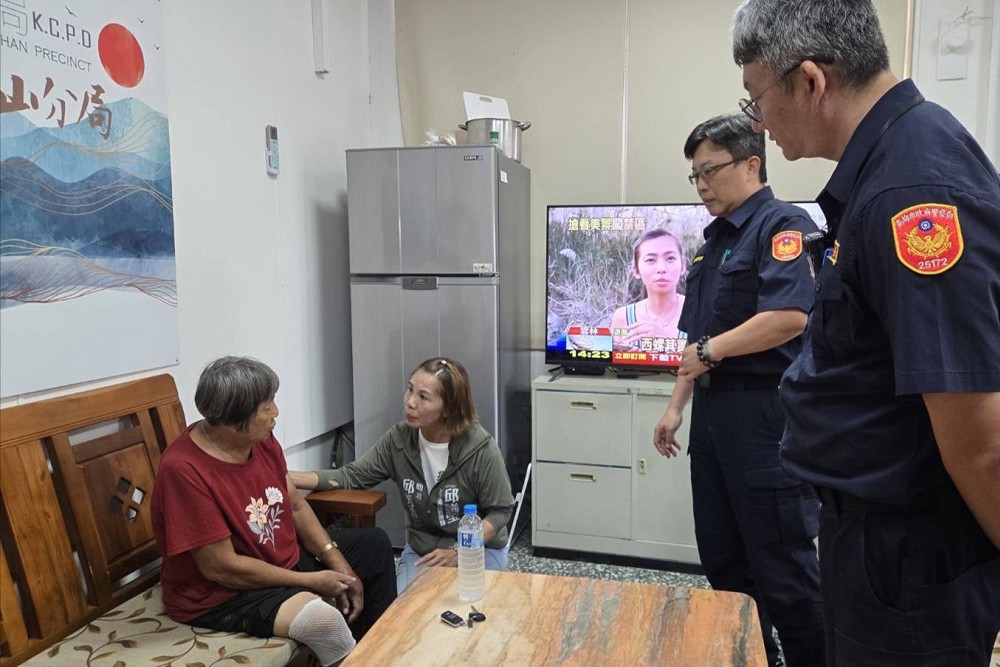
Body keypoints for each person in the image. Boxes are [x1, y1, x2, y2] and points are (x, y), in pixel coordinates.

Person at [732, 1, 1000, 664]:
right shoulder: (893, 161)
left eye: (756, 100)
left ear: (810, 81)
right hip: (879, 541)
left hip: (909, 560)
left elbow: (982, 442)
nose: (757, 122)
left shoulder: (912, 192)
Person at [652, 114, 825, 667]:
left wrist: (709, 353)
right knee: (724, 561)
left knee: (783, 569)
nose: (701, 186)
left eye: (710, 171)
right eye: (695, 176)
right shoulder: (711, 243)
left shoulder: (783, 225)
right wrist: (675, 408)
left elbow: (789, 317)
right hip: (714, 419)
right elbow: (694, 342)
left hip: (766, 419)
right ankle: (755, 657)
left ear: (752, 164)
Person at [151, 357, 397, 667]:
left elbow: (295, 505)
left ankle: (380, 654)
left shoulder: (260, 440)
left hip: (278, 559)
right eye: (266, 407)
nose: (275, 413)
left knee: (374, 546)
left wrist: (337, 562)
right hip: (222, 593)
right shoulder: (184, 470)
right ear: (234, 420)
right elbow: (221, 568)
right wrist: (311, 580)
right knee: (324, 624)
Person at [290, 357, 514, 592]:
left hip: (478, 550)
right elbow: (352, 475)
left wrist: (458, 552)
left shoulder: (480, 448)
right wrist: (286, 477)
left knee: (459, 601)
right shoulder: (399, 439)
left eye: (423, 397)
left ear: (448, 409)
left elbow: (501, 511)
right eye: (410, 390)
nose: (410, 402)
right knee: (405, 608)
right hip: (423, 550)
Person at [610, 228, 687, 349]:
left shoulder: (699, 313)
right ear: (636, 270)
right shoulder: (623, 317)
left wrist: (665, 340)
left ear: (683, 266)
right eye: (650, 260)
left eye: (670, 258)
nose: (661, 268)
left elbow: (708, 356)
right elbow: (614, 359)